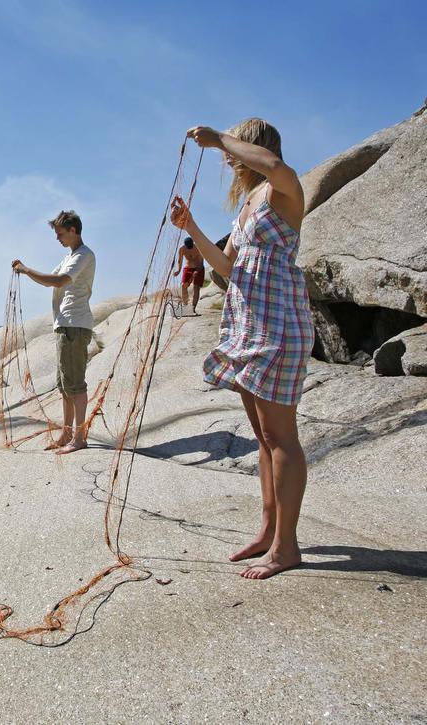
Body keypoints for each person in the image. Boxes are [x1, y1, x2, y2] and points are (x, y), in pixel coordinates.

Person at [169, 119, 314, 580]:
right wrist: (190, 225)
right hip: (248, 327)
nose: (226, 156)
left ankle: (286, 547)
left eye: (234, 146)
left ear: (252, 146)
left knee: (281, 438)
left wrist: (217, 139)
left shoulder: (282, 190)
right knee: (264, 439)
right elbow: (228, 266)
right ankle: (269, 530)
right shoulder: (248, 205)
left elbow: (273, 165)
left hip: (279, 328)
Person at [11, 210, 96, 455]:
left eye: (60, 234)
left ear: (73, 230)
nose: (57, 238)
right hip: (65, 325)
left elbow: (58, 282)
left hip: (74, 325)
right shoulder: (69, 257)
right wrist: (24, 270)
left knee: (75, 385)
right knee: (64, 385)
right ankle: (66, 433)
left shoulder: (84, 255)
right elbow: (50, 279)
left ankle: (79, 437)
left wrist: (26, 270)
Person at [172, 237, 205, 315]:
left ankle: (193, 309)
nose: (190, 248)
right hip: (188, 268)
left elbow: (201, 262)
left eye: (191, 246)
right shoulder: (182, 249)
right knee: (184, 286)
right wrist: (178, 270)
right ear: (185, 245)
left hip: (198, 268)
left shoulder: (198, 247)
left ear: (193, 243)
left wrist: (196, 271)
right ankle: (186, 308)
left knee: (196, 288)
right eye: (188, 247)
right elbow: (180, 260)